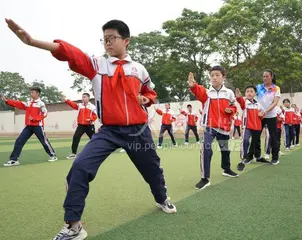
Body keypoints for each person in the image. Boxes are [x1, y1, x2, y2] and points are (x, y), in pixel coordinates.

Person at [5, 18, 177, 239]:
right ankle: (74, 226)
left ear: (126, 41)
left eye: (112, 38)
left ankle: (161, 198)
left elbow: (150, 92)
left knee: (152, 169)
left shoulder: (139, 69)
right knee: (80, 167)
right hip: (109, 131)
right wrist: (33, 41)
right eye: (104, 39)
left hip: (137, 131)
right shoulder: (97, 65)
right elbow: (71, 53)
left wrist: (146, 98)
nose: (107, 43)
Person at [188, 66, 239, 190]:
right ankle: (205, 178)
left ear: (223, 77)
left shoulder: (229, 93)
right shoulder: (206, 92)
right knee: (206, 149)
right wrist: (193, 86)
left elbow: (234, 106)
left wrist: (231, 110)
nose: (214, 77)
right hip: (210, 126)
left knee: (225, 150)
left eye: (217, 75)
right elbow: (198, 90)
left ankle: (226, 169)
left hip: (224, 127)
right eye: (212, 75)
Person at [1, 87, 57, 166]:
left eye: (32, 92)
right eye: (30, 92)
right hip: (28, 126)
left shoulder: (41, 103)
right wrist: (7, 101)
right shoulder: (28, 103)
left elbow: (45, 114)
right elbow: (19, 104)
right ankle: (14, 160)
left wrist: (35, 119)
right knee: (19, 141)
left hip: (38, 126)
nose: (31, 94)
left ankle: (53, 155)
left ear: (37, 93)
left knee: (44, 141)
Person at [236, 86, 269, 171]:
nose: (249, 93)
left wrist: (262, 114)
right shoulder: (245, 103)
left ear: (255, 94)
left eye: (251, 91)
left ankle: (257, 157)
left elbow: (263, 113)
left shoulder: (258, 105)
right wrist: (239, 97)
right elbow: (241, 102)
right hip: (247, 127)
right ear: (245, 94)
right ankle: (243, 159)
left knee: (256, 143)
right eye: (247, 91)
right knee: (245, 140)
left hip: (257, 127)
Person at [256, 70, 281, 165]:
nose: (265, 78)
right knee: (256, 135)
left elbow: (275, 102)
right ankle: (257, 156)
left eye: (267, 76)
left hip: (271, 116)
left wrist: (266, 111)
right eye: (263, 76)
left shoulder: (276, 88)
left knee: (273, 137)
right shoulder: (258, 87)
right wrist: (259, 111)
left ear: (271, 77)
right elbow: (252, 98)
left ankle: (275, 158)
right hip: (260, 116)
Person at [63, 93, 97, 159]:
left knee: (94, 139)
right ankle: (73, 153)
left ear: (88, 98)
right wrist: (66, 100)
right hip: (81, 126)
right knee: (76, 137)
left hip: (89, 126)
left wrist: (90, 119)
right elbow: (73, 104)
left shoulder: (92, 107)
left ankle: (97, 151)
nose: (83, 98)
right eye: (82, 97)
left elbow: (95, 115)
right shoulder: (80, 105)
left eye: (84, 97)